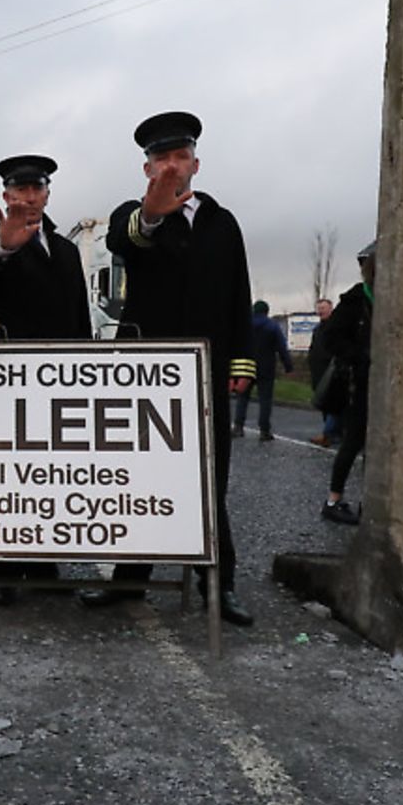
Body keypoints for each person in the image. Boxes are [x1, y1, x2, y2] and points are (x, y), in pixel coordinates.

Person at [84, 111, 257, 627]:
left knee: (210, 480)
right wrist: (151, 215)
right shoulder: (133, 216)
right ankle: (128, 581)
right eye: (162, 158)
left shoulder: (222, 222)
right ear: (147, 169)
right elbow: (123, 240)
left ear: (195, 163)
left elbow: (238, 294)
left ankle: (218, 585)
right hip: (149, 374)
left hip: (205, 372)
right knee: (143, 477)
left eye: (180, 157)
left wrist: (242, 360)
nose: (172, 166)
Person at [0, 153, 91, 606]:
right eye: (19, 190)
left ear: (46, 193)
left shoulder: (66, 249)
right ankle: (4, 568)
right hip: (12, 378)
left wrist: (86, 367)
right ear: (6, 195)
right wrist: (7, 245)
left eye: (36, 189)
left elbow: (78, 312)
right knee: (11, 474)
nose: (28, 197)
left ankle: (44, 566)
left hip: (61, 377)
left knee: (55, 472)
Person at [322, 241, 377, 525]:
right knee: (353, 441)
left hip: (385, 385)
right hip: (359, 385)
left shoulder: (389, 298)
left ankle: (371, 503)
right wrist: (359, 357)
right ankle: (333, 500)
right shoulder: (356, 300)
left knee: (377, 448)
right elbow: (331, 338)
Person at [232, 300, 292, 441]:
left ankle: (238, 427)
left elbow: (236, 345)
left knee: (242, 398)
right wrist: (288, 366)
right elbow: (282, 347)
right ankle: (264, 430)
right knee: (265, 400)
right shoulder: (272, 326)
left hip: (246, 366)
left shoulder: (244, 326)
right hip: (266, 367)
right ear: (267, 311)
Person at [307, 298, 340, 447]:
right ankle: (331, 433)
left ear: (330, 309)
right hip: (318, 373)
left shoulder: (335, 327)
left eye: (324, 308)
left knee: (332, 404)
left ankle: (329, 434)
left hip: (331, 372)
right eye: (319, 308)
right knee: (324, 405)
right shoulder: (317, 329)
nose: (321, 311)